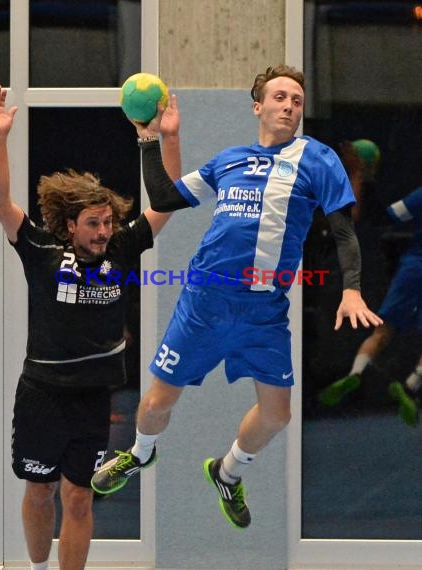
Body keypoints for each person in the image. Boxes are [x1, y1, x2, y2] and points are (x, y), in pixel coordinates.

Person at [91, 64, 382, 530]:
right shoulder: (229, 160)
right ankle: (140, 454)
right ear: (258, 106)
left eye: (297, 101)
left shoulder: (316, 158)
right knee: (155, 404)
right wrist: (153, 138)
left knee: (278, 414)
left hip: (264, 310)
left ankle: (228, 473)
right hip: (204, 301)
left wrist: (352, 289)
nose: (289, 106)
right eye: (280, 97)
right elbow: (166, 198)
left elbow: (344, 230)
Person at [0, 84, 181, 570]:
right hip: (42, 393)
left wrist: (161, 138)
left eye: (108, 222)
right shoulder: (42, 252)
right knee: (40, 489)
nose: (103, 231)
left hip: (93, 396)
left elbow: (167, 202)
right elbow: (1, 203)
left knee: (78, 498)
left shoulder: (122, 249)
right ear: (70, 226)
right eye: (93, 223)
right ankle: (35, 567)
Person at [318, 186, 422, 427]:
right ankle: (412, 385)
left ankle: (355, 373)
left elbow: (390, 217)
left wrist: (365, 181)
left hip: (413, 267)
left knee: (382, 330)